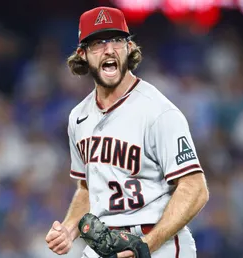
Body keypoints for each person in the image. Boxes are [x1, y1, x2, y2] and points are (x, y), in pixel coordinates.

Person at [45, 6, 209, 258]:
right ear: (83, 54)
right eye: (98, 43)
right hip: (102, 243)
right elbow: (89, 188)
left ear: (129, 48)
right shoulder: (78, 117)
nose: (109, 50)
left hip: (157, 243)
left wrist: (145, 244)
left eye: (117, 41)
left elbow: (195, 187)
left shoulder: (157, 111)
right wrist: (69, 229)